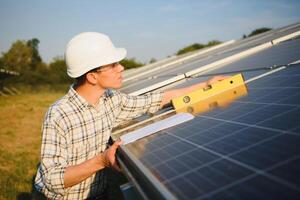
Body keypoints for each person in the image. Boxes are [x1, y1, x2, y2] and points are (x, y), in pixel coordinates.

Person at [34, 32, 226, 199]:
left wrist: (206, 86)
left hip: (100, 193)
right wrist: (102, 160)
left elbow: (155, 100)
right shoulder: (59, 114)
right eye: (113, 65)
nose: (121, 68)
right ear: (92, 76)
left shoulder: (111, 100)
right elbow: (51, 179)